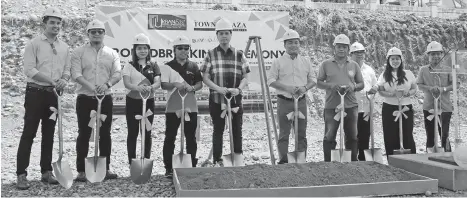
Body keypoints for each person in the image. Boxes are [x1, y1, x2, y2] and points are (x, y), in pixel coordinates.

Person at [16, 7, 70, 190]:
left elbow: (67, 70)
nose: (56, 26)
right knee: (29, 133)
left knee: (49, 134)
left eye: (58, 23)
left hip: (53, 96)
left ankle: (46, 171)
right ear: (44, 24)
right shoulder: (34, 44)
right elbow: (29, 70)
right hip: (35, 93)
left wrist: (63, 80)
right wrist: (52, 81)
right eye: (52, 22)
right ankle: (21, 174)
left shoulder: (64, 47)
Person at [71, 19, 122, 181]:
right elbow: (76, 74)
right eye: (93, 31)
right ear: (88, 34)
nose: (96, 34)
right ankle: (81, 171)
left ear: (104, 34)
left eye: (100, 31)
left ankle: (105, 169)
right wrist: (91, 86)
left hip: (105, 98)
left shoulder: (112, 53)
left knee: (105, 134)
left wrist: (106, 85)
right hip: (85, 98)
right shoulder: (79, 52)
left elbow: (117, 74)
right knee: (84, 133)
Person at [200, 18, 250, 167]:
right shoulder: (210, 54)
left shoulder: (239, 54)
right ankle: (217, 160)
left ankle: (237, 158)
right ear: (217, 35)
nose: (224, 36)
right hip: (216, 99)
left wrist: (238, 89)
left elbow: (246, 76)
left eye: (226, 33)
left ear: (231, 35)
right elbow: (205, 77)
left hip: (235, 100)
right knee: (218, 130)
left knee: (237, 131)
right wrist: (218, 88)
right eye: (221, 33)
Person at [267, 29, 316, 164]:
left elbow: (313, 80)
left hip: (300, 101)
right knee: (284, 133)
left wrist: (304, 88)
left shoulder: (306, 61)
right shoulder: (278, 62)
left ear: (299, 44)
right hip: (284, 101)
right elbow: (270, 80)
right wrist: (287, 88)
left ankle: (301, 160)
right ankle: (283, 160)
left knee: (301, 132)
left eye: (295, 42)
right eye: (290, 43)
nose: (293, 45)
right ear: (284, 45)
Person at [317, 34, 364, 162]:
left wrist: (353, 87)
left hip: (350, 106)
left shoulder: (354, 65)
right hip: (332, 106)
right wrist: (331, 85)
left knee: (352, 137)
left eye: (344, 47)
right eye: (339, 46)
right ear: (334, 48)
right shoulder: (325, 64)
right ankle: (329, 164)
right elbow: (319, 82)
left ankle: (352, 163)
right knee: (329, 136)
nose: (341, 49)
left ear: (348, 49)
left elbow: (361, 84)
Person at [160, 36, 203, 178]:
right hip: (173, 106)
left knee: (191, 137)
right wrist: (175, 84)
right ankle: (168, 168)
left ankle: (191, 165)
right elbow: (163, 84)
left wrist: (192, 87)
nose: (183, 51)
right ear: (174, 50)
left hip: (191, 107)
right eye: (180, 48)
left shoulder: (194, 66)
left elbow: (199, 84)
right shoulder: (167, 66)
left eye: (186, 48)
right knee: (170, 137)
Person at [369, 47, 417, 157]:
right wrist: (391, 94)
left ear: (401, 60)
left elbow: (414, 88)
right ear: (388, 61)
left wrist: (408, 93)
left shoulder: (408, 73)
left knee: (407, 133)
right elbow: (380, 90)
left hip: (406, 107)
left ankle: (411, 158)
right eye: (392, 59)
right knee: (390, 134)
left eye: (397, 59)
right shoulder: (384, 75)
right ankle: (393, 159)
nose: (395, 61)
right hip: (389, 108)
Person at [122, 33, 161, 165]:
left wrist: (151, 88)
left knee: (147, 132)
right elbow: (127, 84)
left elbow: (157, 83)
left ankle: (145, 160)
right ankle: (132, 162)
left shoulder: (154, 65)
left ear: (149, 49)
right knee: (132, 133)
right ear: (134, 50)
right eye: (139, 48)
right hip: (133, 101)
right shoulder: (129, 65)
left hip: (148, 101)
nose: (142, 51)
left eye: (145, 48)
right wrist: (138, 88)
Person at [416, 41, 453, 152]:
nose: (436, 56)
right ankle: (430, 157)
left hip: (445, 107)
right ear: (428, 56)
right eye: (433, 54)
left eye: (438, 53)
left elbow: (455, 85)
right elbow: (419, 85)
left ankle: (447, 157)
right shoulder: (423, 70)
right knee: (430, 134)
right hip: (429, 107)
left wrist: (443, 89)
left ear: (442, 54)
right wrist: (430, 88)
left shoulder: (448, 69)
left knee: (444, 134)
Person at [350, 42, 378, 161]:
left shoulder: (369, 70)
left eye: (361, 52)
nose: (359, 55)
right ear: (351, 54)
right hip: (352, 108)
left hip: (366, 108)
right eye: (356, 53)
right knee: (352, 136)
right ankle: (352, 159)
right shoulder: (347, 68)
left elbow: (375, 84)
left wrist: (375, 89)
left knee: (365, 135)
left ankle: (363, 160)